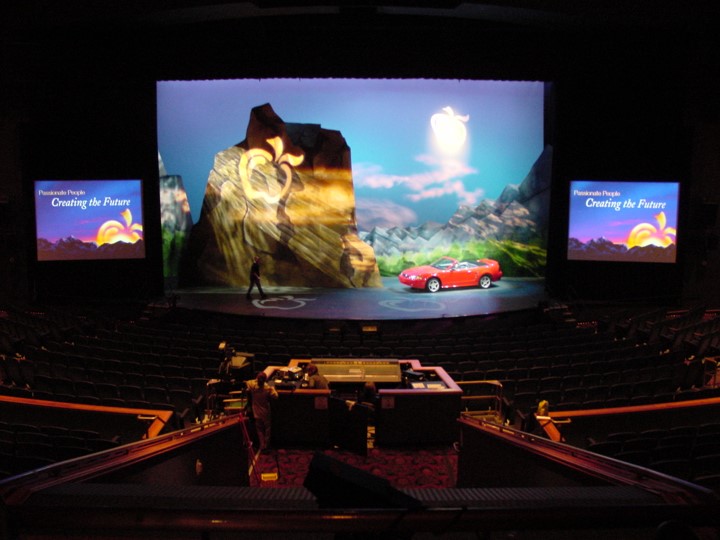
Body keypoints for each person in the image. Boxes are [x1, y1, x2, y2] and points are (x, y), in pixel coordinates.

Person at [245, 371, 278, 452]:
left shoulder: (252, 386)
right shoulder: (268, 388)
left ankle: (262, 445)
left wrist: (256, 380)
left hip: (256, 412)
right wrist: (273, 388)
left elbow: (248, 382)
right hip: (265, 412)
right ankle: (266, 445)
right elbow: (276, 396)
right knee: (267, 429)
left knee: (259, 429)